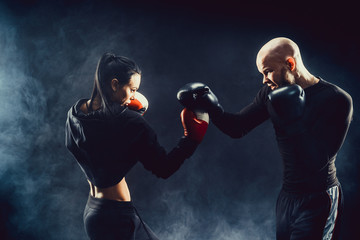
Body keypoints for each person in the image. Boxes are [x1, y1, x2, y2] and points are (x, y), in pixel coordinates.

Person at [177, 37, 353, 240]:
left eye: (267, 71)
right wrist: (211, 106)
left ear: (290, 64)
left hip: (319, 198)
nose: (264, 80)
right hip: (288, 197)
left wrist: (293, 122)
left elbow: (316, 162)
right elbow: (237, 127)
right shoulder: (271, 92)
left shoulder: (336, 99)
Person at [65, 52, 209, 240]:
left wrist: (123, 114)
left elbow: (99, 147)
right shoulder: (130, 123)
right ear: (115, 84)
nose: (134, 96)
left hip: (93, 213)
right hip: (118, 219)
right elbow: (164, 168)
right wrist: (191, 139)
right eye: (132, 89)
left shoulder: (75, 113)